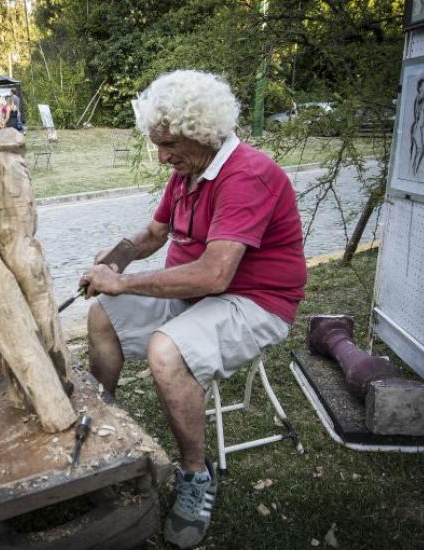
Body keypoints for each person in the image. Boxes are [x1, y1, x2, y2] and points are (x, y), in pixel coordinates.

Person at [81, 70, 307, 549]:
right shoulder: (189, 173)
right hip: (198, 294)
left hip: (255, 301)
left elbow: (213, 275)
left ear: (200, 134)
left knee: (168, 352)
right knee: (102, 313)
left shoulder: (247, 174)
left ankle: (194, 475)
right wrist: (114, 258)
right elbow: (154, 234)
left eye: (168, 145)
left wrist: (122, 282)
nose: (162, 157)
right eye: (157, 144)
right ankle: (104, 424)